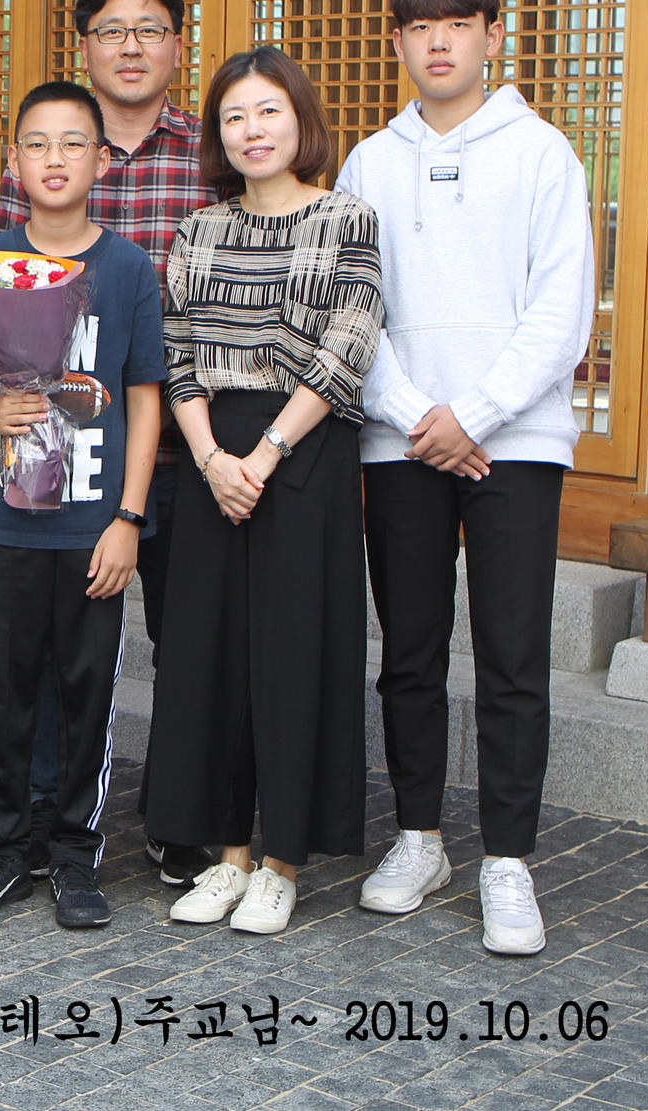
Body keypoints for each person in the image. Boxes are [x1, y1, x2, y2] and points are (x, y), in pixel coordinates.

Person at [336, 0, 594, 955]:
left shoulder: (541, 153)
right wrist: (416, 414)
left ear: (492, 33)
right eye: (419, 26)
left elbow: (560, 312)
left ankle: (508, 859)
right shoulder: (370, 163)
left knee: (512, 656)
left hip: (514, 443)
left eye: (457, 23)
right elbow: (354, 308)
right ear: (397, 41)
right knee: (409, 650)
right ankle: (419, 837)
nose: (437, 41)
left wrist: (475, 414)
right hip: (401, 440)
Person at [143, 46, 383, 936]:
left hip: (306, 451)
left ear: (300, 119)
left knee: (294, 654)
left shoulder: (347, 218)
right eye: (235, 116)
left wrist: (268, 452)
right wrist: (212, 457)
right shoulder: (198, 230)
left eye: (268, 110)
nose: (252, 129)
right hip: (213, 454)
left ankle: (283, 860)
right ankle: (229, 854)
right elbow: (176, 350)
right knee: (209, 656)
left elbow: (350, 343)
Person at [0, 0, 214, 888]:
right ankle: (43, 822)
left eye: (149, 29)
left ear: (176, 46)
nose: (130, 46)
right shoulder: (50, 146)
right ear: (83, 44)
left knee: (188, 635)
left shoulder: (209, 152)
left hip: (189, 435)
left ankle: (177, 815)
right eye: (111, 29)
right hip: (66, 450)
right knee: (55, 643)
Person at [0, 82, 163, 928]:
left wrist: (128, 519)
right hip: (2, 513)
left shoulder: (127, 268)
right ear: (14, 161)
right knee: (8, 683)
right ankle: (4, 848)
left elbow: (145, 398)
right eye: (37, 143)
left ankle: (73, 852)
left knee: (86, 683)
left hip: (93, 518)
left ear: (101, 160)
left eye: (73, 143)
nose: (54, 158)